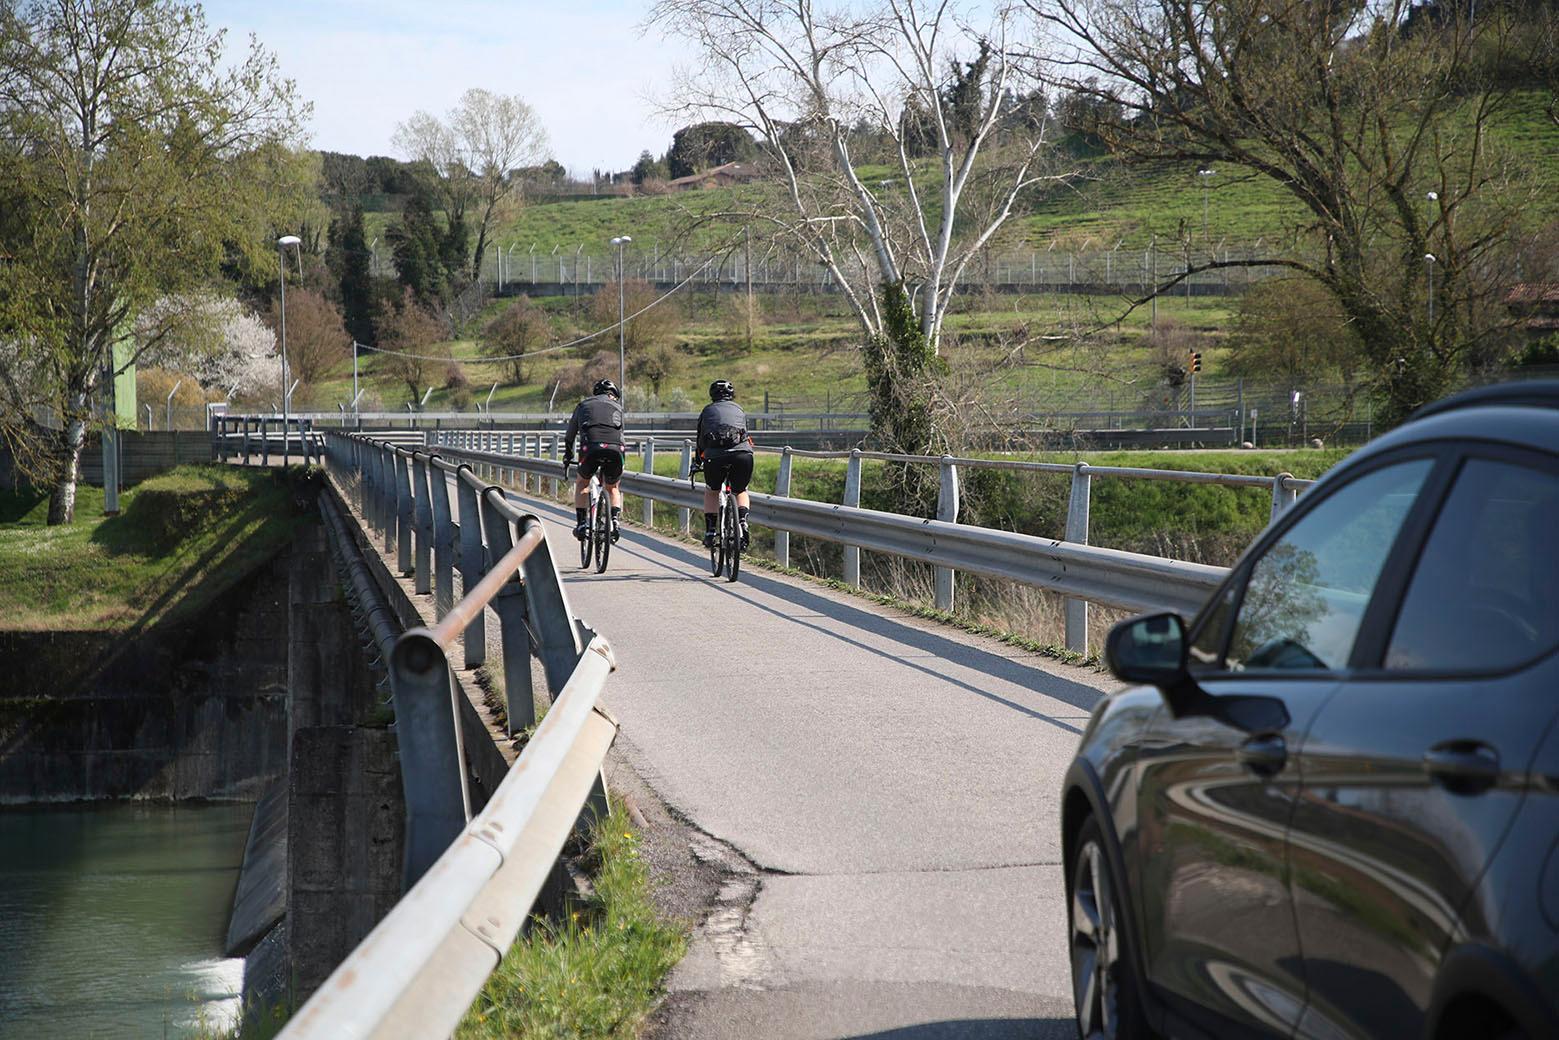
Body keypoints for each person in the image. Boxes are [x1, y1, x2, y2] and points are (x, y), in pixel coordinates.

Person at [562, 378, 625, 542]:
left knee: (583, 483)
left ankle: (582, 524)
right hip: (615, 449)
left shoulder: (583, 405)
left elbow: (569, 437)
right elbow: (621, 436)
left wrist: (568, 457)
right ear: (613, 396)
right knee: (613, 487)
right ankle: (615, 521)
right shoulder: (618, 408)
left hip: (590, 448)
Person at [695, 379, 754, 550]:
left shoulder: (707, 411)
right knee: (740, 490)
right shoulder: (739, 409)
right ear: (731, 395)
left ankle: (711, 531)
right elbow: (746, 435)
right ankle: (742, 522)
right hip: (742, 455)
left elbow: (701, 441)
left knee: (712, 490)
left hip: (715, 456)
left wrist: (697, 461)